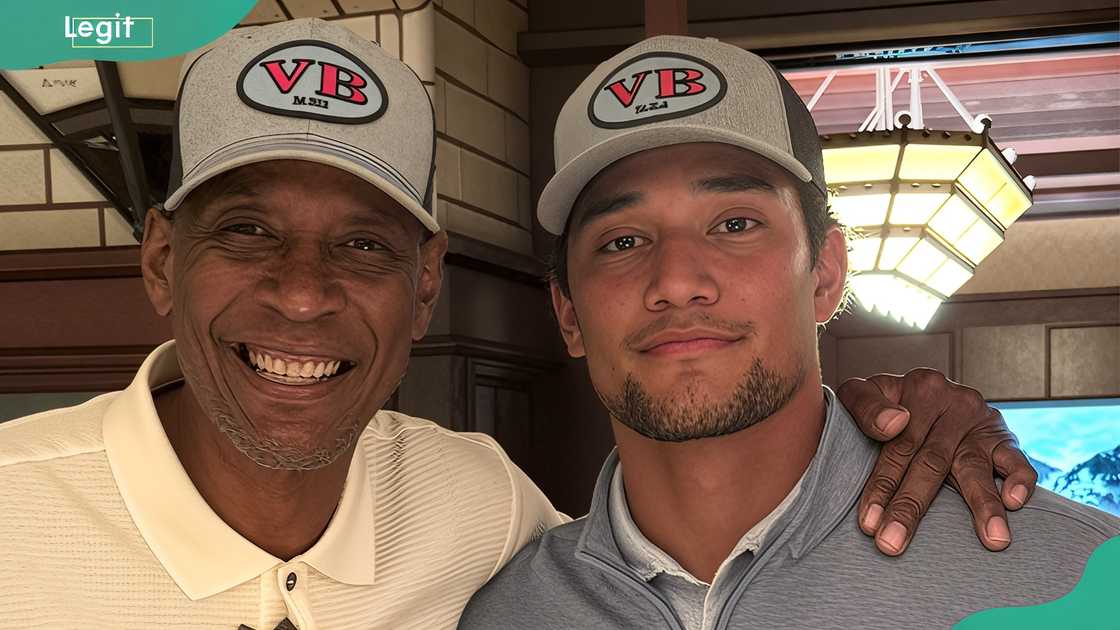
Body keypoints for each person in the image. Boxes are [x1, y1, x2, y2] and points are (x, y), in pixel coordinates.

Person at [0, 20, 1044, 630]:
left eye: (363, 244)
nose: (305, 293)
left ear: (425, 285)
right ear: (159, 260)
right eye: (246, 230)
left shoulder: (480, 511)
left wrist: (891, 422)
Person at [458, 35, 1120, 630]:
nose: (678, 280)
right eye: (622, 241)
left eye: (735, 224)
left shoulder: (1085, 578)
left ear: (825, 274)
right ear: (569, 314)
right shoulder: (507, 614)